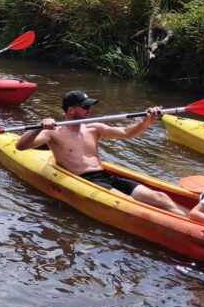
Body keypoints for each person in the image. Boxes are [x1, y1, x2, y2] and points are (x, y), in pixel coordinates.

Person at [15, 90, 188, 217]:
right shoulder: (53, 132)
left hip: (105, 177)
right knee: (134, 205)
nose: (89, 110)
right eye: (85, 107)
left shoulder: (94, 128)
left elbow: (127, 133)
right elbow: (21, 146)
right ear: (70, 110)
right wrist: (39, 127)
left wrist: (146, 122)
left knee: (160, 197)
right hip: (84, 180)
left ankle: (194, 219)